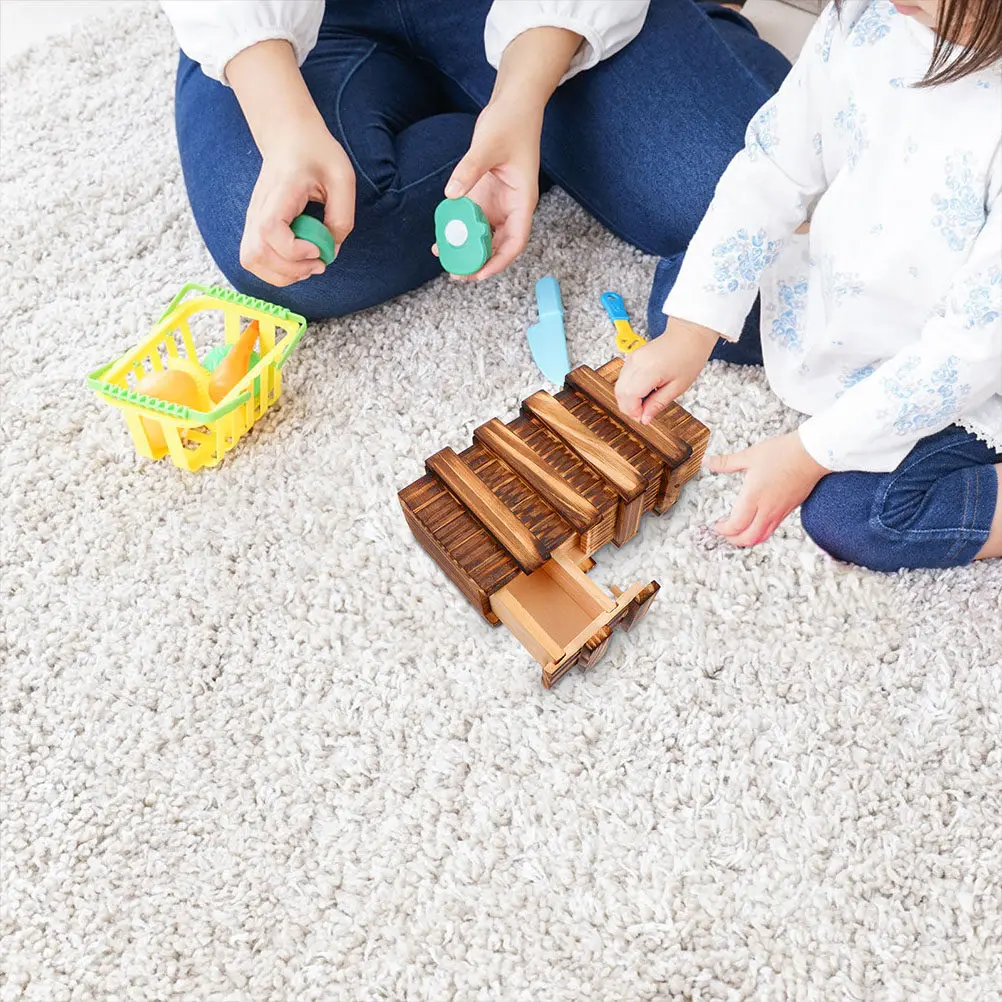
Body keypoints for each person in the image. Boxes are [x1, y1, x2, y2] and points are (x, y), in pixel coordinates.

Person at [616, 0, 1002, 571]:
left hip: (975, 362)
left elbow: (969, 351)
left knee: (854, 516)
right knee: (680, 297)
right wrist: (691, 330)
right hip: (855, 288)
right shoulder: (867, 16)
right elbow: (773, 167)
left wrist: (808, 452)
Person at [161, 0, 790, 320]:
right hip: (312, 22)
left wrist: (523, 94)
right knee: (302, 248)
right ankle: (543, 135)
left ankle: (532, 115)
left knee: (750, 208)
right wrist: (286, 128)